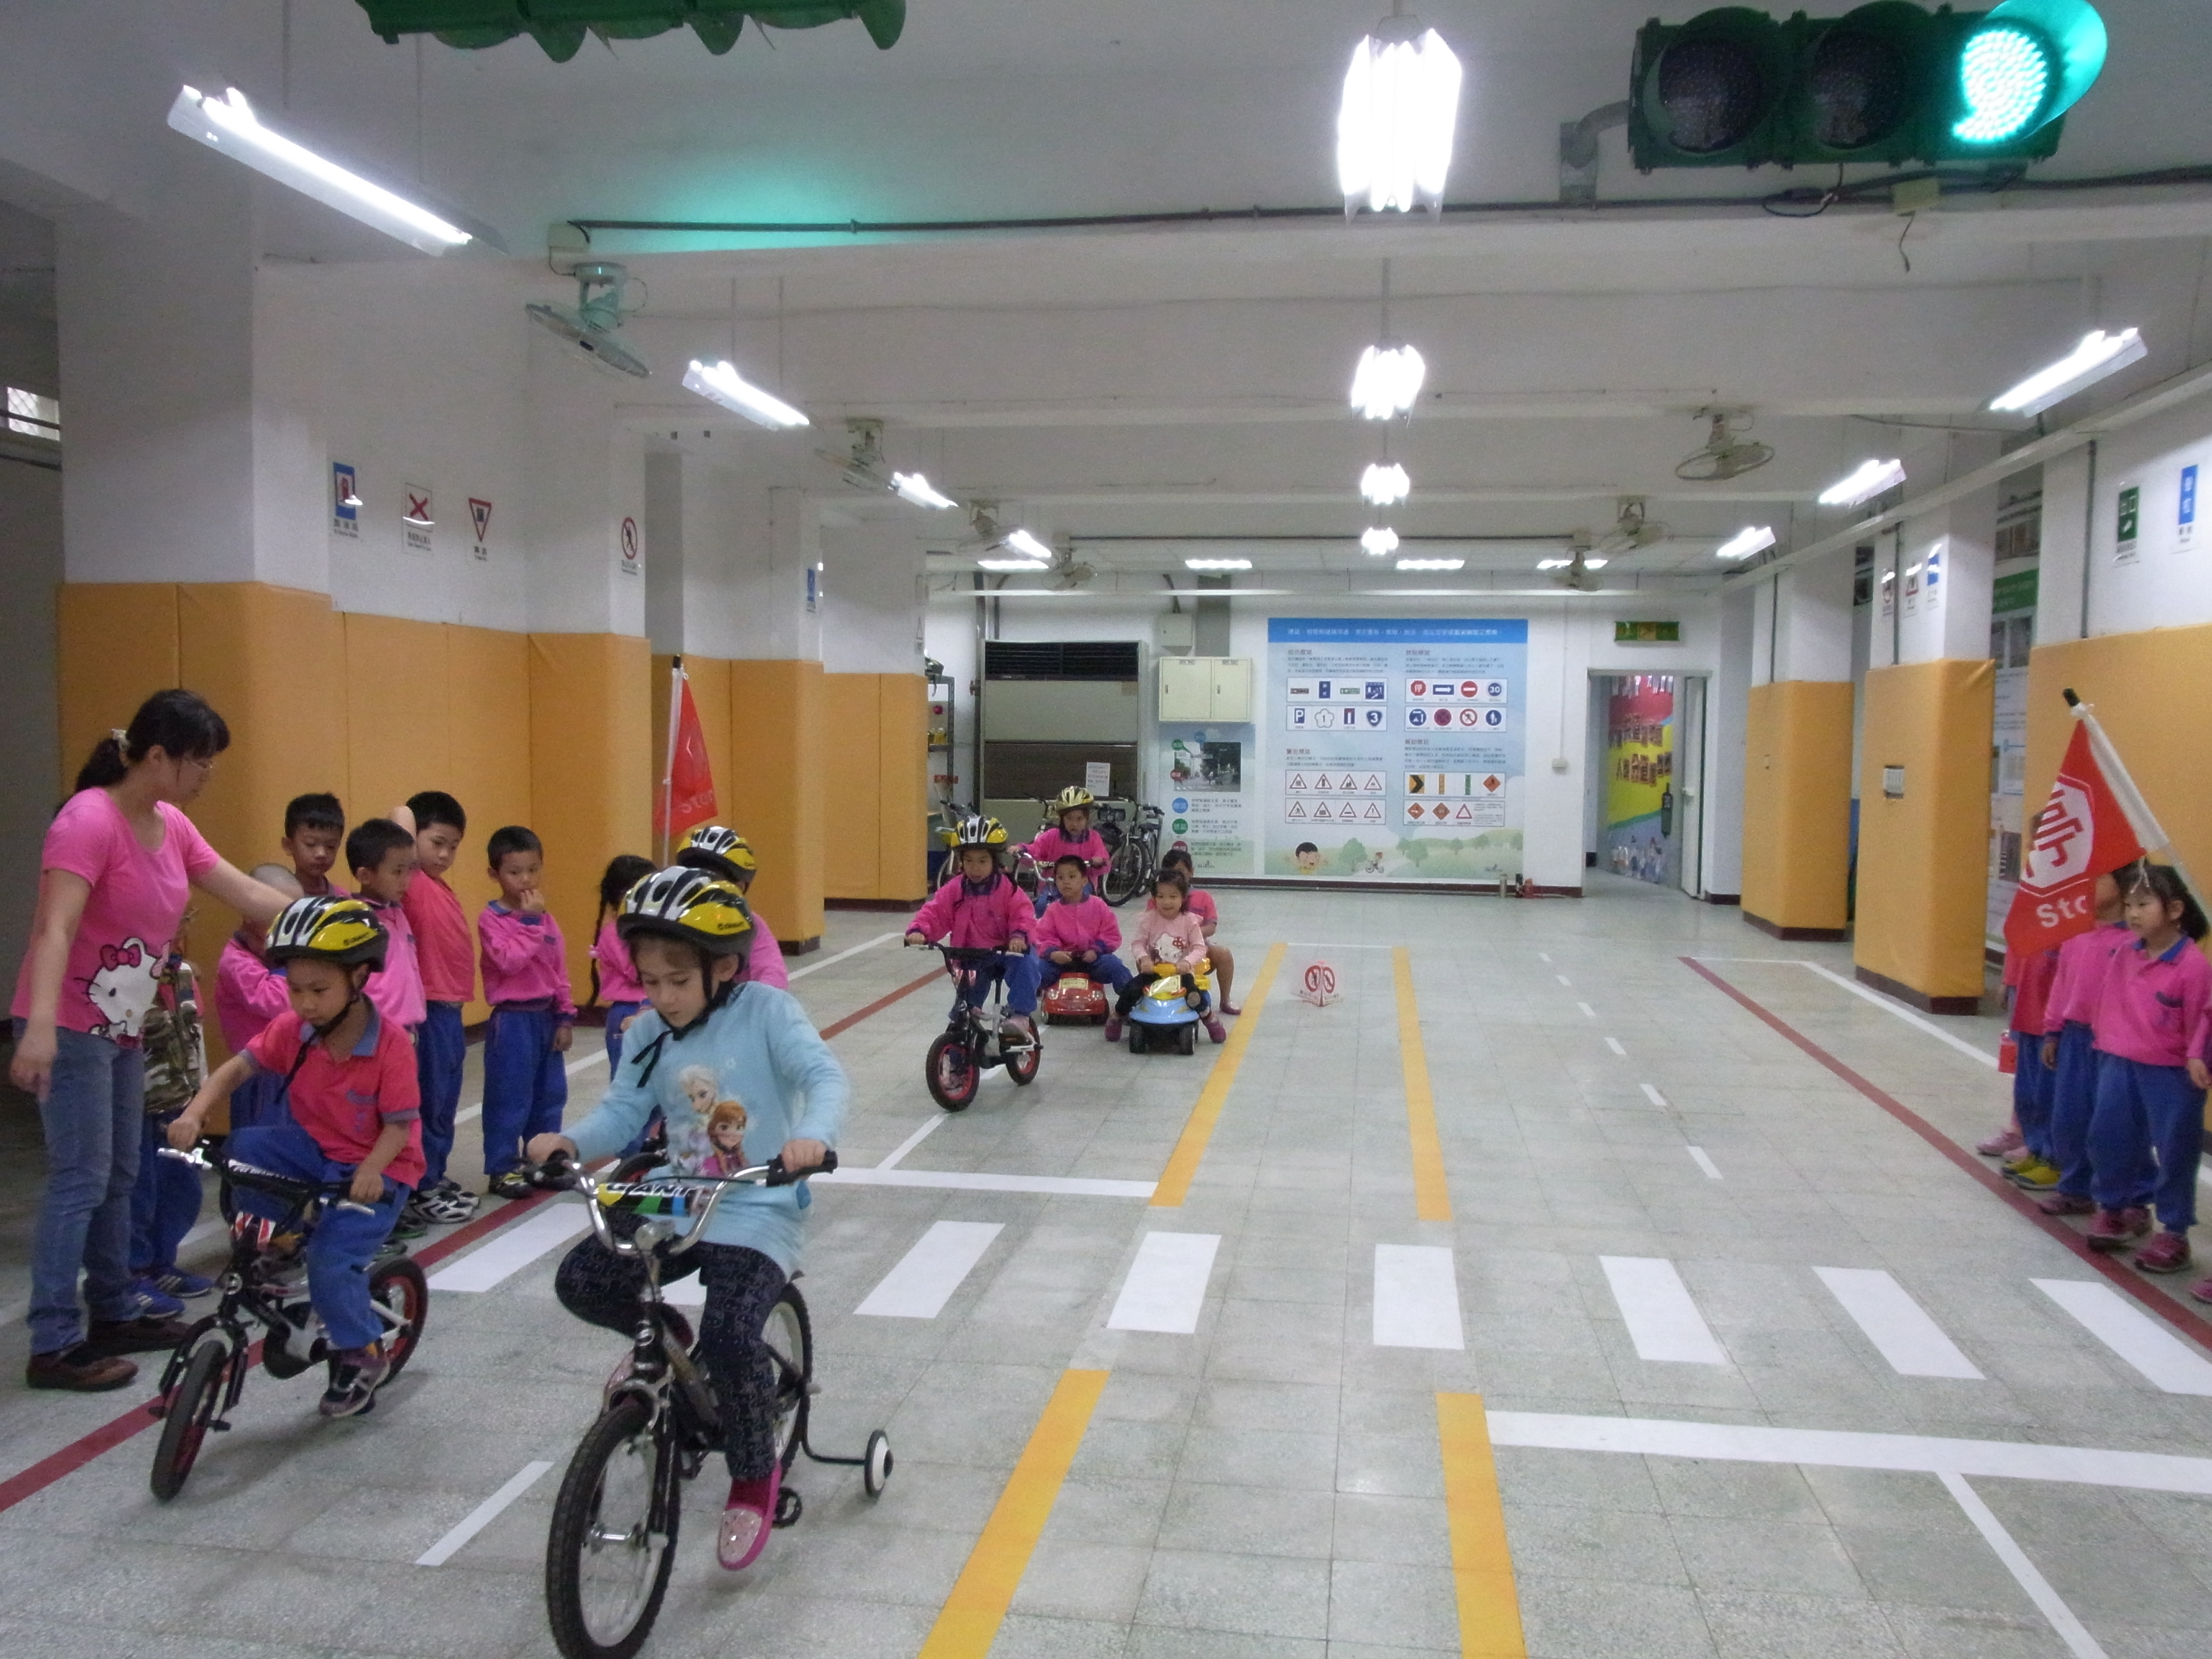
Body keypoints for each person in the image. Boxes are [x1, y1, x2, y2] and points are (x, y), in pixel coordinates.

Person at [528, 866, 845, 1573]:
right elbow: (623, 1112)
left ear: (723, 968)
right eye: (650, 980)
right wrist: (570, 1142)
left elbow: (823, 1076)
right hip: (677, 1195)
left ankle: (755, 1474)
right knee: (583, 1278)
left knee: (731, 1333)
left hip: (758, 1199)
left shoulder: (766, 1011)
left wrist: (812, 1137)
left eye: (678, 980)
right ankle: (667, 1334)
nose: (663, 996)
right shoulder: (648, 1033)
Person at [10, 690, 290, 1391]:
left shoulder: (171, 824)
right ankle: (53, 1342)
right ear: (158, 757)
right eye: (201, 761)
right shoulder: (88, 821)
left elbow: (243, 892)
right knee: (80, 1177)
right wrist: (38, 1028)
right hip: (71, 1025)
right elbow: (55, 928)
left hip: (125, 1026)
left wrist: (329, 918)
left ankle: (113, 1309)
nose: (208, 775)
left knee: (119, 1174)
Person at [167, 896, 424, 1417]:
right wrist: (194, 1114)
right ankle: (277, 1239)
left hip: (380, 1165)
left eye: (319, 991)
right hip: (316, 1150)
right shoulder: (294, 1029)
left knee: (331, 1262)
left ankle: (363, 1353)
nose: (305, 1003)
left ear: (358, 978)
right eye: (295, 989)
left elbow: (400, 1126)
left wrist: (372, 1170)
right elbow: (237, 1069)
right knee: (246, 1147)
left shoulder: (391, 1045)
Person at [2082, 863, 2211, 1270]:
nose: (2133, 913)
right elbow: (2107, 1003)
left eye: (2144, 904)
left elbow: (2203, 1020)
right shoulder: (2124, 952)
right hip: (2118, 1064)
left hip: (2171, 1074)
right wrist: (2103, 1046)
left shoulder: (2193, 966)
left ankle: (2174, 1231)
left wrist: (2197, 1056)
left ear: (2175, 909)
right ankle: (2116, 1209)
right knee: (2109, 1138)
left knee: (2175, 1151)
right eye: (2129, 905)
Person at [393, 793, 477, 1227]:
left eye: (453, 846)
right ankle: (420, 1186)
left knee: (444, 1101)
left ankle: (434, 1175)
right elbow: (400, 818)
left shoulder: (440, 886)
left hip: (449, 1011)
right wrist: (411, 825)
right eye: (437, 842)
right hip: (426, 1011)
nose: (445, 855)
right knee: (426, 1103)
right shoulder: (411, 880)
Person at [479, 825, 575, 1199]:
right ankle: (502, 1167)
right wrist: (530, 922)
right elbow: (509, 961)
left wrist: (565, 1015)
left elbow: (558, 969)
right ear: (495, 874)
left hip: (545, 1016)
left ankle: (543, 1160)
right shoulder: (492, 919)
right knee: (509, 1095)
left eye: (533, 870)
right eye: (514, 872)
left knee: (549, 1094)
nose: (525, 880)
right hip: (513, 1019)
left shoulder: (546, 918)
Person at [2033, 870, 2133, 1221]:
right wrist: (2053, 1030)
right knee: (2069, 1117)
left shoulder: (2133, 943)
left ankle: (2131, 1199)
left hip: (2114, 1042)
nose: (2088, 886)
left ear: (2123, 886)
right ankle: (2075, 1189)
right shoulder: (2077, 934)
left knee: (2113, 1123)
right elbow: (2061, 986)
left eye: (2099, 878)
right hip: (2075, 1038)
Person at [904, 815, 1038, 1046]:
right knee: (963, 1011)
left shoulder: (1008, 889)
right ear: (961, 861)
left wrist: (1019, 936)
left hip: (1006, 952)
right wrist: (919, 931)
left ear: (995, 861)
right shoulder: (954, 889)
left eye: (983, 861)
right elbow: (935, 912)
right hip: (972, 956)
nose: (975, 868)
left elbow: (1023, 914)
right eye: (969, 861)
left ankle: (1020, 1016)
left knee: (1026, 963)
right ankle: (957, 1053)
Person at [127, 947, 211, 1301]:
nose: (180, 926)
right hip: (138, 1106)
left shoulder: (183, 974)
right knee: (139, 1192)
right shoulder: (126, 970)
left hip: (179, 1103)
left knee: (181, 1189)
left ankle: (162, 1264)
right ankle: (133, 1274)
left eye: (185, 920)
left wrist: (201, 1095)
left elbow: (195, 1036)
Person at [216, 864, 301, 1131]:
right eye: (282, 918)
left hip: (288, 1067)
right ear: (250, 914)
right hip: (254, 1072)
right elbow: (276, 1001)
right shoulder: (236, 961)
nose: (293, 929)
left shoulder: (273, 955)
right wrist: (296, 968)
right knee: (255, 1140)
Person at [1112, 867, 1224, 1043]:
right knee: (1131, 990)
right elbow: (1138, 943)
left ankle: (1209, 1018)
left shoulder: (1189, 921)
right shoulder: (1149, 919)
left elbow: (1199, 948)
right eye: (1161, 896)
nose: (1167, 902)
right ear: (1154, 898)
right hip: (1155, 971)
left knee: (1194, 995)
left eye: (1173, 896)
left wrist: (1187, 962)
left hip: (1181, 973)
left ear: (1183, 898)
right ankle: (1118, 1016)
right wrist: (1144, 958)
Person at [1032, 854, 1132, 1038]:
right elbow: (1042, 936)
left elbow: (1111, 933)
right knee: (1035, 971)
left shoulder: (1098, 905)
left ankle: (1131, 1005)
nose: (1066, 882)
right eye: (1060, 878)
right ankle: (1020, 1009)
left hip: (1092, 959)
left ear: (1084, 880)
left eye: (1072, 876)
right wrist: (1053, 953)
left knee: (1116, 967)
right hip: (1062, 960)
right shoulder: (1053, 909)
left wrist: (1097, 949)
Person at [676, 826, 789, 989]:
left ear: (739, 887)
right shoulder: (672, 919)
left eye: (712, 879)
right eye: (693, 877)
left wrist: (760, 999)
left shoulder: (750, 924)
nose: (701, 885)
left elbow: (772, 972)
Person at [1989, 940, 2060, 1188]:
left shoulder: (2080, 931)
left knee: (2050, 1092)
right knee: (2028, 1089)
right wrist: (2009, 980)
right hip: (2029, 1003)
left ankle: (2054, 1158)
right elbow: (2017, 942)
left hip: (2054, 1014)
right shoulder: (2036, 924)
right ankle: (2036, 1148)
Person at [348, 819, 425, 1045]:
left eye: (409, 870)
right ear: (365, 876)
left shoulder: (398, 912)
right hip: (377, 1033)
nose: (406, 880)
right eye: (397, 872)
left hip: (409, 1030)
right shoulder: (357, 920)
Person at [589, 853, 658, 1074]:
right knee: (628, 1076)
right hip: (627, 1011)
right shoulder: (614, 933)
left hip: (656, 1005)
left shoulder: (649, 931)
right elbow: (637, 972)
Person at [1161, 846, 1239, 1015]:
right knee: (1143, 957)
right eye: (1172, 873)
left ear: (1191, 872)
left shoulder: (1203, 897)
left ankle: (1225, 1000)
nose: (1177, 877)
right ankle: (1148, 995)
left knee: (1224, 954)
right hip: (1165, 950)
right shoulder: (1158, 899)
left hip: (1198, 948)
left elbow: (1211, 927)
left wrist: (1191, 935)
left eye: (1181, 872)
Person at [1023, 787, 1110, 911]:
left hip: (1082, 885)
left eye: (1079, 819)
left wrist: (1099, 860)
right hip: (1054, 884)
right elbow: (1035, 849)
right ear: (1062, 819)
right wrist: (1022, 850)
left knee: (1083, 908)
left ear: (1087, 819)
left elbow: (1102, 857)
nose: (1074, 824)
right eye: (1069, 818)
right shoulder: (1052, 836)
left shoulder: (1093, 838)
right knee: (1042, 906)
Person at [282, 792, 348, 897]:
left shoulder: (342, 898)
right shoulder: (280, 897)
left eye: (330, 846)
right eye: (310, 844)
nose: (322, 854)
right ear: (288, 846)